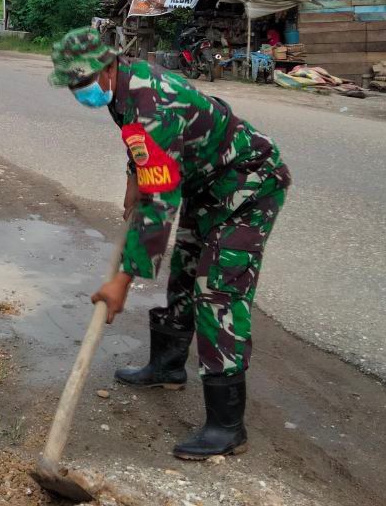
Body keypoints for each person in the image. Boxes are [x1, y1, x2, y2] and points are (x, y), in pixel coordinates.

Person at [49, 27, 291, 460]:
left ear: (107, 67)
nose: (78, 92)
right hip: (206, 180)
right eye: (72, 86)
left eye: (82, 83)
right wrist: (132, 180)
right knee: (184, 270)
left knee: (217, 291)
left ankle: (226, 426)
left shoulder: (150, 102)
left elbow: (160, 207)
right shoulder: (122, 88)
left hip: (250, 185)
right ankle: (167, 366)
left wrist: (123, 280)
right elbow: (140, 146)